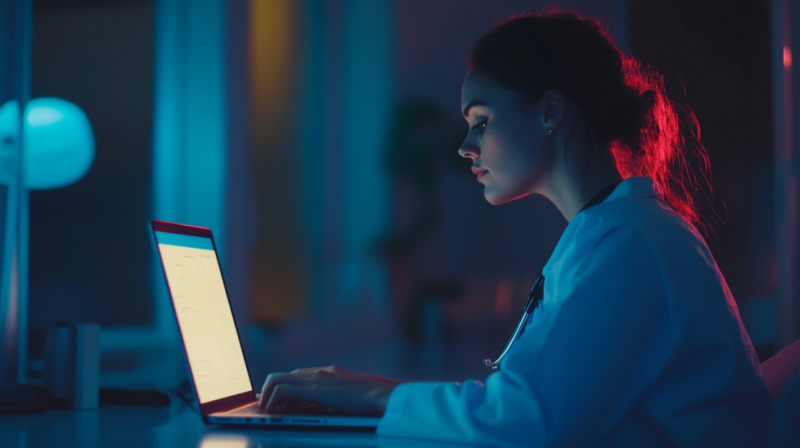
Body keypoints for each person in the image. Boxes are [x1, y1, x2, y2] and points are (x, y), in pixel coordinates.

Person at [258, 9, 772, 447]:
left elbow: (530, 417)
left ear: (550, 111)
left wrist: (367, 391)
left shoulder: (629, 245)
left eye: (481, 120)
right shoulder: (615, 232)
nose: (465, 146)